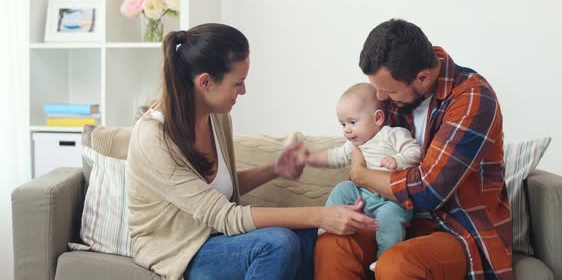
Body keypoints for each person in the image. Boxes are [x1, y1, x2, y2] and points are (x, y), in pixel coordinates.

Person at [125, 23, 378, 280]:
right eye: (238, 83)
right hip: (178, 250)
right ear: (205, 82)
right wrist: (320, 215)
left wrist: (274, 169)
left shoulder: (216, 116)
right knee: (277, 242)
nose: (243, 91)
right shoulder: (154, 139)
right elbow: (225, 216)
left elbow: (218, 190)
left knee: (307, 237)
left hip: (216, 236)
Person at [314, 19, 512, 280]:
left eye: (387, 90)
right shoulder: (399, 94)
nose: (381, 98)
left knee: (397, 264)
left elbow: (428, 191)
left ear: (423, 77)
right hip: (394, 216)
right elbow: (364, 146)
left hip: (456, 228)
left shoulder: (472, 98)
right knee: (333, 245)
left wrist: (362, 176)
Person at [306, 82, 421, 270]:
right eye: (342, 124)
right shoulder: (354, 145)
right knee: (343, 188)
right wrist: (310, 159)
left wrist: (398, 160)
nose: (346, 130)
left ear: (378, 118)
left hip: (391, 200)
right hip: (363, 194)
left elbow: (414, 151)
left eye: (352, 122)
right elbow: (335, 156)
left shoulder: (392, 134)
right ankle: (327, 225)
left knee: (389, 217)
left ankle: (384, 256)